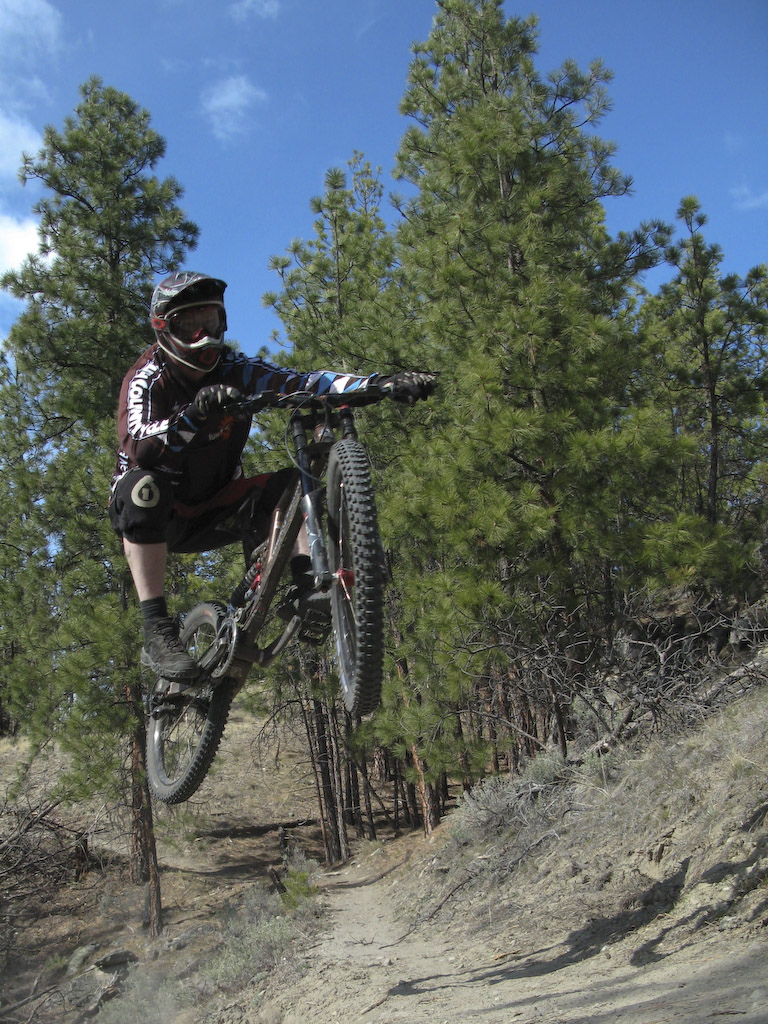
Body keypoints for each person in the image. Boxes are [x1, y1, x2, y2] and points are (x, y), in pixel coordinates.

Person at [109, 270, 435, 683]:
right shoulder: (147, 377)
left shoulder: (235, 369)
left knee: (289, 484)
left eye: (210, 321)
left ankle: (306, 584)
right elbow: (138, 444)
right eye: (189, 326)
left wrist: (381, 384)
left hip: (217, 506)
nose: (203, 336)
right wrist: (194, 414)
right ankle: (157, 630)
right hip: (162, 515)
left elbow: (305, 383)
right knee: (144, 488)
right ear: (164, 329)